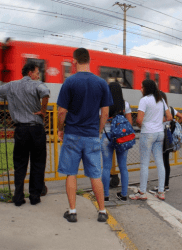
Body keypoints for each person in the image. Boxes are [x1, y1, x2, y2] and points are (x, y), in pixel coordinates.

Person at [57, 48, 113, 223]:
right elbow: (105, 112)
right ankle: (102, 211)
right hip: (91, 135)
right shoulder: (101, 83)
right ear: (89, 60)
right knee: (95, 174)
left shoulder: (69, 82)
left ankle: (72, 212)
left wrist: (60, 129)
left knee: (71, 173)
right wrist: (98, 129)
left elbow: (61, 111)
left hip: (72, 134)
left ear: (74, 61)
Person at [0, 61, 50, 206]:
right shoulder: (36, 84)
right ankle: (34, 197)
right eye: (37, 73)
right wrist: (43, 110)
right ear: (30, 73)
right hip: (36, 129)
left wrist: (11, 97)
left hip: (21, 130)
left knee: (20, 163)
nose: (38, 76)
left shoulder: (11, 85)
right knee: (38, 163)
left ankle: (18, 197)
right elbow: (45, 92)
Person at [129, 80, 172, 201]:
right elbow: (169, 117)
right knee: (160, 161)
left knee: (144, 164)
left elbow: (138, 120)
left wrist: (144, 126)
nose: (140, 89)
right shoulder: (161, 100)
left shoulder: (144, 100)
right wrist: (157, 122)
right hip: (159, 134)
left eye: (142, 87)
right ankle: (161, 192)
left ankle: (142, 192)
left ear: (146, 88)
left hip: (147, 134)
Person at [101, 81, 132, 202]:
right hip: (121, 138)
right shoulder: (125, 105)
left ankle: (105, 195)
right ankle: (123, 195)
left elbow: (101, 121)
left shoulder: (104, 104)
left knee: (106, 167)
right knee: (123, 167)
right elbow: (129, 124)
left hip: (106, 137)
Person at [149, 91, 182, 194]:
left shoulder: (159, 109)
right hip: (168, 137)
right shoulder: (171, 110)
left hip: (160, 137)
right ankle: (166, 185)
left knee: (161, 162)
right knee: (166, 161)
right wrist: (174, 125)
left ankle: (162, 187)